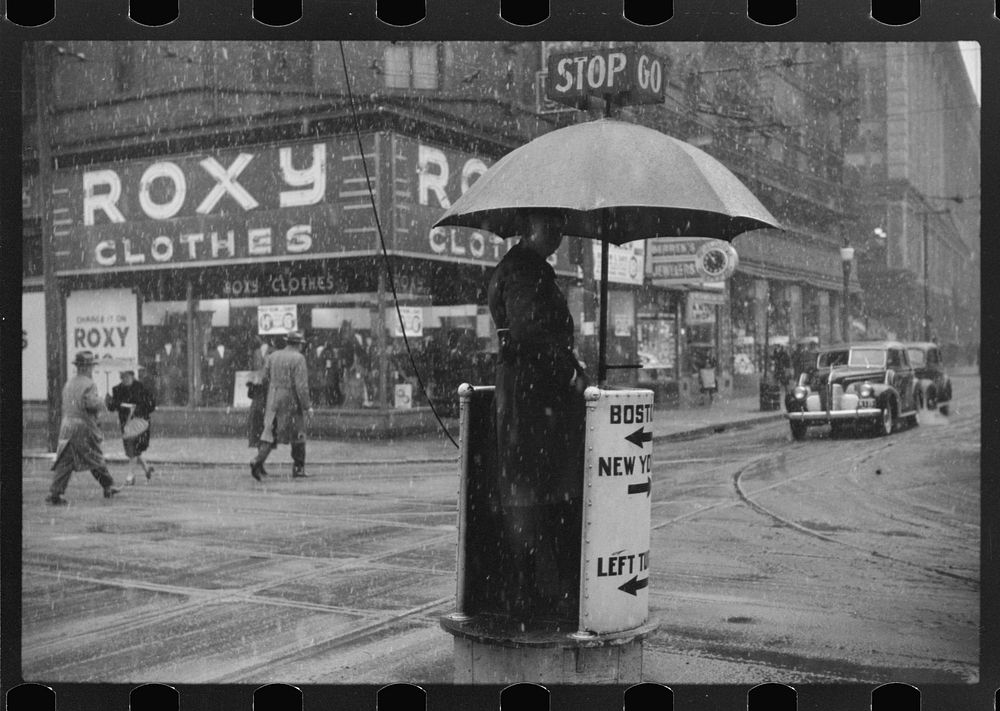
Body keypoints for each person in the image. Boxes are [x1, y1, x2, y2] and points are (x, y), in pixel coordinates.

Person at [487, 210, 587, 624]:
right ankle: (532, 595)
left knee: (531, 496)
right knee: (533, 497)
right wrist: (569, 373)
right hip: (532, 402)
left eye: (562, 228)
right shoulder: (524, 270)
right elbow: (528, 331)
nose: (560, 235)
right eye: (552, 227)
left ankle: (531, 592)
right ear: (530, 227)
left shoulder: (524, 267)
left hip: (528, 400)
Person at [46, 351, 121, 505]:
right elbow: (90, 404)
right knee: (94, 457)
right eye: (91, 367)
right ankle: (108, 485)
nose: (91, 370)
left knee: (65, 461)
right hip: (82, 427)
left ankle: (55, 492)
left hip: (67, 426)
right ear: (87, 368)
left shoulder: (69, 383)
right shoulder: (89, 383)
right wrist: (103, 402)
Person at [250, 330, 314, 481]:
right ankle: (298, 467)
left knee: (269, 433)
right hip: (291, 401)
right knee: (298, 434)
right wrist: (307, 406)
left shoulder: (273, 356)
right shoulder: (299, 359)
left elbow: (263, 377)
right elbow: (301, 386)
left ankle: (257, 461)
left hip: (273, 399)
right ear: (299, 345)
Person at [105, 368, 157, 485]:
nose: (124, 379)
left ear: (132, 376)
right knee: (132, 450)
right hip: (126, 424)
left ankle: (130, 476)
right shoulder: (117, 389)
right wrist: (109, 402)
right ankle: (146, 468)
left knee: (134, 449)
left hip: (140, 423)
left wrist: (138, 408)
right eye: (122, 376)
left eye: (126, 376)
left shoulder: (141, 388)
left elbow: (151, 404)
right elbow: (113, 407)